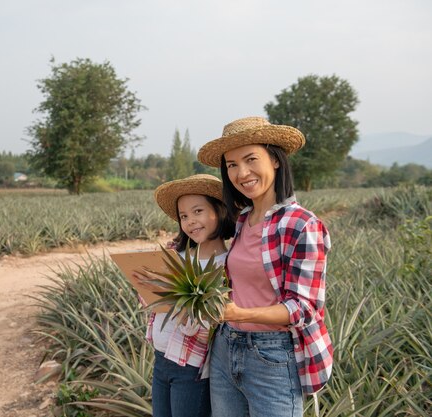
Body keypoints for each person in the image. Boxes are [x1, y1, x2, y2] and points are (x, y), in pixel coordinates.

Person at [196, 117, 333, 417]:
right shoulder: (243, 220)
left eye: (250, 159)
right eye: (231, 164)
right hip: (225, 347)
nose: (241, 173)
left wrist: (240, 314)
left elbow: (303, 309)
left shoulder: (301, 224)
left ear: (274, 160)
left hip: (272, 354)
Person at [135, 174, 236, 417]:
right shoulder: (175, 256)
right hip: (161, 359)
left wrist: (177, 302)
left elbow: (209, 325)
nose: (190, 221)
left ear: (220, 211)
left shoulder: (225, 266)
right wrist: (146, 289)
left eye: (198, 211)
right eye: (184, 216)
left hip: (192, 369)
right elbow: (150, 303)